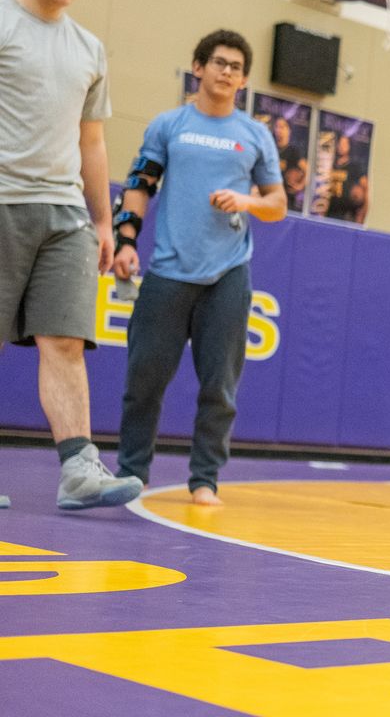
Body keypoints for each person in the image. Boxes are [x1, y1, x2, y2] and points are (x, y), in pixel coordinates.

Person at [0, 0, 144, 510]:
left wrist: (105, 221)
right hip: (4, 199)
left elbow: (92, 142)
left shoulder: (89, 49)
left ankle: (80, 472)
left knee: (64, 338)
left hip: (66, 215)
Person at [111, 29, 286, 506]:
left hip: (228, 273)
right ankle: (132, 471)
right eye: (219, 63)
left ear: (244, 79)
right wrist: (126, 241)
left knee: (220, 385)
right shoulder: (169, 125)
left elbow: (277, 203)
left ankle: (205, 478)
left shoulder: (254, 135)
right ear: (198, 67)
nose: (227, 71)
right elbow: (139, 185)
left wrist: (247, 200)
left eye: (235, 66)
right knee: (144, 376)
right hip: (168, 270)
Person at [322, 133, 369, 223]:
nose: (342, 146)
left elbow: (366, 189)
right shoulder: (329, 164)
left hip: (345, 216)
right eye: (340, 143)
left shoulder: (354, 167)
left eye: (344, 143)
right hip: (328, 212)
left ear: (349, 146)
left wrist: (363, 214)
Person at [272, 116, 307, 212]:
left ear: (289, 130)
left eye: (282, 127)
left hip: (286, 200)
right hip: (269, 196)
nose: (279, 130)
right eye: (277, 127)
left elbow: (308, 170)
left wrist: (300, 185)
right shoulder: (270, 149)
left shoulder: (294, 151)